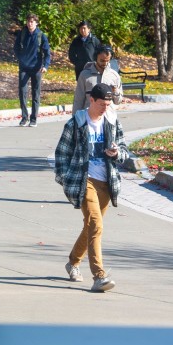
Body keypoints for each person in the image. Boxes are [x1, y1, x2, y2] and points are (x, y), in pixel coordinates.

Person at [54, 83, 130, 293]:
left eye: (108, 104)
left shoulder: (112, 122)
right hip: (84, 179)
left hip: (106, 182)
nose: (106, 107)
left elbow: (124, 149)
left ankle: (73, 262)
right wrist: (65, 179)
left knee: (90, 227)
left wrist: (117, 153)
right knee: (95, 223)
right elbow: (61, 153)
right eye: (102, 104)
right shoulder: (76, 124)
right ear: (92, 100)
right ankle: (99, 277)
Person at [14, 12, 51, 126]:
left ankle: (33, 119)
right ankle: (24, 118)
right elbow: (15, 48)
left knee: (36, 93)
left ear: (36, 23)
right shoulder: (22, 34)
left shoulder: (41, 36)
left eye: (32, 22)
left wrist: (45, 66)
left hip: (36, 68)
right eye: (28, 21)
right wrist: (21, 59)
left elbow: (47, 53)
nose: (29, 24)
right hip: (24, 68)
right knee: (22, 92)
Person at [74, 43, 123, 112]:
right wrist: (76, 118)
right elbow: (78, 100)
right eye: (102, 61)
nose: (105, 64)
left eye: (107, 61)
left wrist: (115, 91)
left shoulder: (114, 76)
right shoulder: (84, 75)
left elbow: (118, 101)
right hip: (89, 117)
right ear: (95, 58)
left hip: (108, 117)